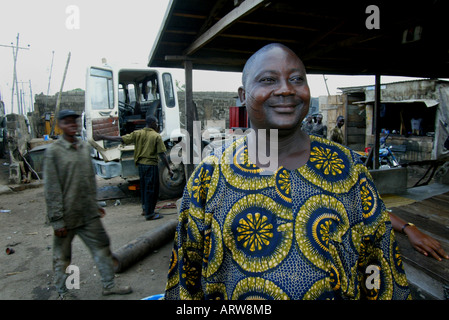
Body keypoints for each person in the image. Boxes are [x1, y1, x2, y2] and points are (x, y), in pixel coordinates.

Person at [165, 43, 411, 300]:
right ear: (242, 94)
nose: (286, 89)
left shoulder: (349, 169)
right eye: (268, 79)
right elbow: (187, 278)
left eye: (296, 79)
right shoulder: (210, 174)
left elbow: (379, 265)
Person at [44, 109, 132, 300]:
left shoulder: (83, 147)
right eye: (66, 122)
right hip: (66, 216)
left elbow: (88, 180)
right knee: (63, 256)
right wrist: (57, 220)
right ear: (59, 126)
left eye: (74, 121)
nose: (72, 125)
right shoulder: (54, 152)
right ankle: (63, 292)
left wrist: (95, 203)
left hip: (88, 212)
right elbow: (51, 189)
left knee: (102, 246)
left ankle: (109, 285)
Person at [96, 115, 174, 220]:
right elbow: (162, 154)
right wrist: (169, 168)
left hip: (141, 166)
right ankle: (150, 214)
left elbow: (120, 139)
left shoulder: (137, 134)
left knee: (144, 188)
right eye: (156, 123)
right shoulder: (156, 136)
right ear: (152, 124)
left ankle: (145, 209)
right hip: (151, 165)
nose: (157, 125)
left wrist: (103, 137)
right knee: (152, 190)